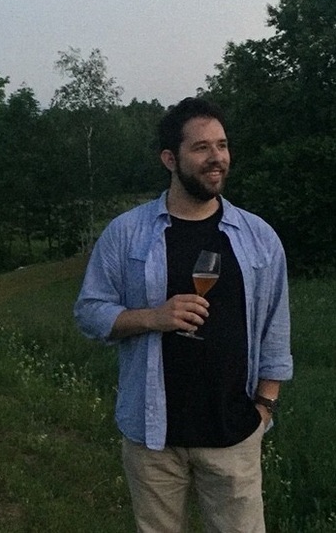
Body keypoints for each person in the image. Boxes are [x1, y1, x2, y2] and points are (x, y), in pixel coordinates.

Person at [74, 97, 293, 532]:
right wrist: (153, 318)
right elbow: (89, 312)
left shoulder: (258, 237)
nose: (217, 158)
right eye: (201, 147)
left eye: (222, 145)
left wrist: (264, 408)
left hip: (234, 433)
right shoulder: (127, 233)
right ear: (169, 159)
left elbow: (276, 328)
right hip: (153, 436)